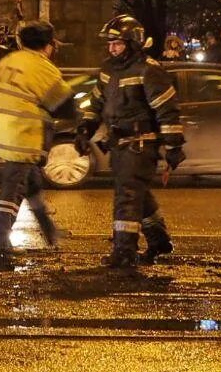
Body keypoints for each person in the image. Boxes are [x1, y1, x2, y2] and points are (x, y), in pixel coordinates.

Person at [76, 15, 183, 269]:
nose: (111, 48)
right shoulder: (108, 70)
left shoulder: (149, 70)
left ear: (132, 43)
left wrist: (174, 146)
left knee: (127, 197)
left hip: (140, 146)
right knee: (139, 196)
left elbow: (166, 111)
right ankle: (159, 241)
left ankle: (124, 252)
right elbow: (96, 103)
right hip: (120, 145)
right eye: (110, 43)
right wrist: (84, 130)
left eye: (117, 43)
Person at [0, 20, 78, 267]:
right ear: (48, 46)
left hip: (0, 132)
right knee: (12, 192)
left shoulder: (9, 61)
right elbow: (65, 107)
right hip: (22, 137)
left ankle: (50, 231)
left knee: (32, 184)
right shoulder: (42, 67)